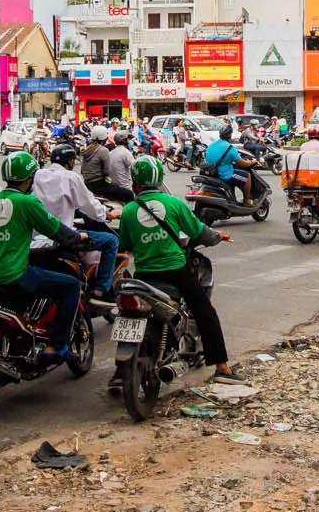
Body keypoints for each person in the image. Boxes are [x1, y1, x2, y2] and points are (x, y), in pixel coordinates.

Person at [119, 156, 239, 380]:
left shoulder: (128, 211)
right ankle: (222, 368)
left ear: (135, 182)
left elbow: (125, 244)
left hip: (144, 273)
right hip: (175, 270)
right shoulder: (174, 204)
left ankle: (120, 370)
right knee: (205, 313)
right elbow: (200, 233)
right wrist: (217, 237)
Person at [0, 151, 87, 364]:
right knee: (71, 286)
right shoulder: (27, 203)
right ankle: (58, 346)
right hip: (13, 274)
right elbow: (56, 230)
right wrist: (78, 236)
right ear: (29, 178)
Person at [32, 143, 119, 308]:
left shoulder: (38, 175)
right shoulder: (70, 177)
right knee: (111, 241)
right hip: (64, 236)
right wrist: (107, 214)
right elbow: (89, 205)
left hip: (37, 237)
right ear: (71, 162)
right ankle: (101, 289)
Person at [203, 122, 251, 207]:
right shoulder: (229, 147)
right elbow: (242, 164)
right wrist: (252, 162)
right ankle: (247, 200)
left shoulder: (211, 145)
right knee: (247, 177)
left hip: (212, 174)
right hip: (224, 175)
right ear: (230, 135)